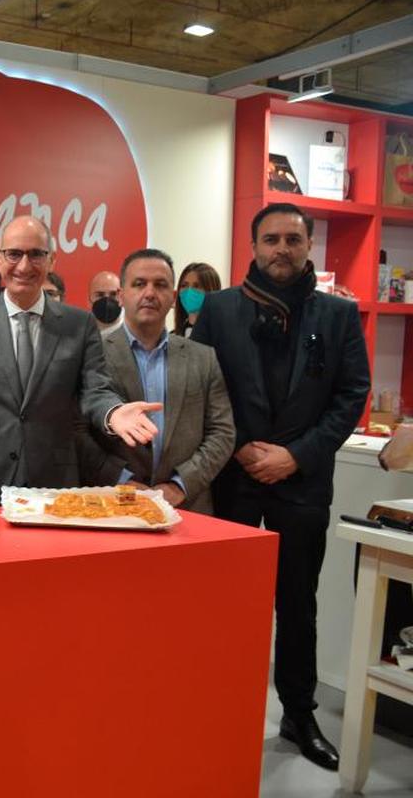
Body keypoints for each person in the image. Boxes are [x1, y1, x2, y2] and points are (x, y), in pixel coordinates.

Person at [191, 202, 370, 771]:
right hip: (234, 479)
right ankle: (218, 708)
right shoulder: (218, 311)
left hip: (302, 482)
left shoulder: (338, 317)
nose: (282, 249)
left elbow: (351, 396)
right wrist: (241, 446)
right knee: (225, 606)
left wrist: (296, 455)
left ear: (309, 245)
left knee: (299, 605)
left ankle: (299, 714)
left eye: (293, 239)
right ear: (253, 246)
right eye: (271, 239)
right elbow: (202, 387)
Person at [0, 215, 161, 509]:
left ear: (51, 260)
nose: (24, 266)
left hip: (53, 482)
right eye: (14, 254)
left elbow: (95, 391)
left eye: (36, 254)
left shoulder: (79, 324)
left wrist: (113, 413)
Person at [76, 249, 234, 513]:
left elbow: (222, 432)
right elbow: (77, 432)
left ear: (173, 298)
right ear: (122, 295)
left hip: (187, 507)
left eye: (160, 285)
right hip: (112, 506)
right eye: (139, 284)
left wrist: (179, 485)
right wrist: (122, 481)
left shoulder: (203, 358)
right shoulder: (90, 355)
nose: (149, 293)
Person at [174, 261, 221, 337]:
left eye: (196, 286)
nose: (189, 291)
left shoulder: (225, 336)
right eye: (184, 285)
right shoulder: (173, 337)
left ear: (212, 290)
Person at [88, 270, 123, 335]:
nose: (107, 300)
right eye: (100, 295)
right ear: (88, 301)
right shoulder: (81, 333)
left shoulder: (135, 330)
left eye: (113, 294)